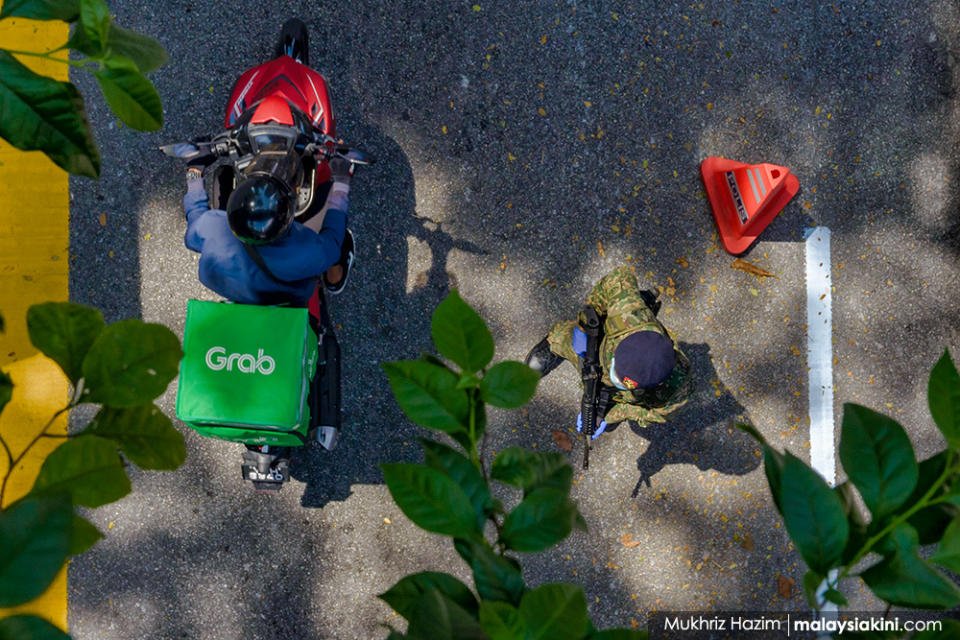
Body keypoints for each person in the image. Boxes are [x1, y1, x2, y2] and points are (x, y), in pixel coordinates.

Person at [525, 265, 693, 437]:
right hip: (600, 347)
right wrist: (586, 324)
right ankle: (554, 345)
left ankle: (607, 409)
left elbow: (657, 414)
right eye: (617, 371)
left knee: (605, 415)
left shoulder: (677, 387)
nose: (616, 378)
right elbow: (619, 277)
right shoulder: (627, 313)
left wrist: (612, 416)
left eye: (622, 381)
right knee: (565, 339)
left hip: (622, 397)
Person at [181, 151, 356, 305]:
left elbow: (193, 228)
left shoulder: (211, 226)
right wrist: (341, 183)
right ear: (287, 222)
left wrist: (194, 172)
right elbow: (331, 244)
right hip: (287, 301)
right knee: (336, 228)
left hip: (233, 291)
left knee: (223, 176)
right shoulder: (309, 252)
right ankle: (334, 278)